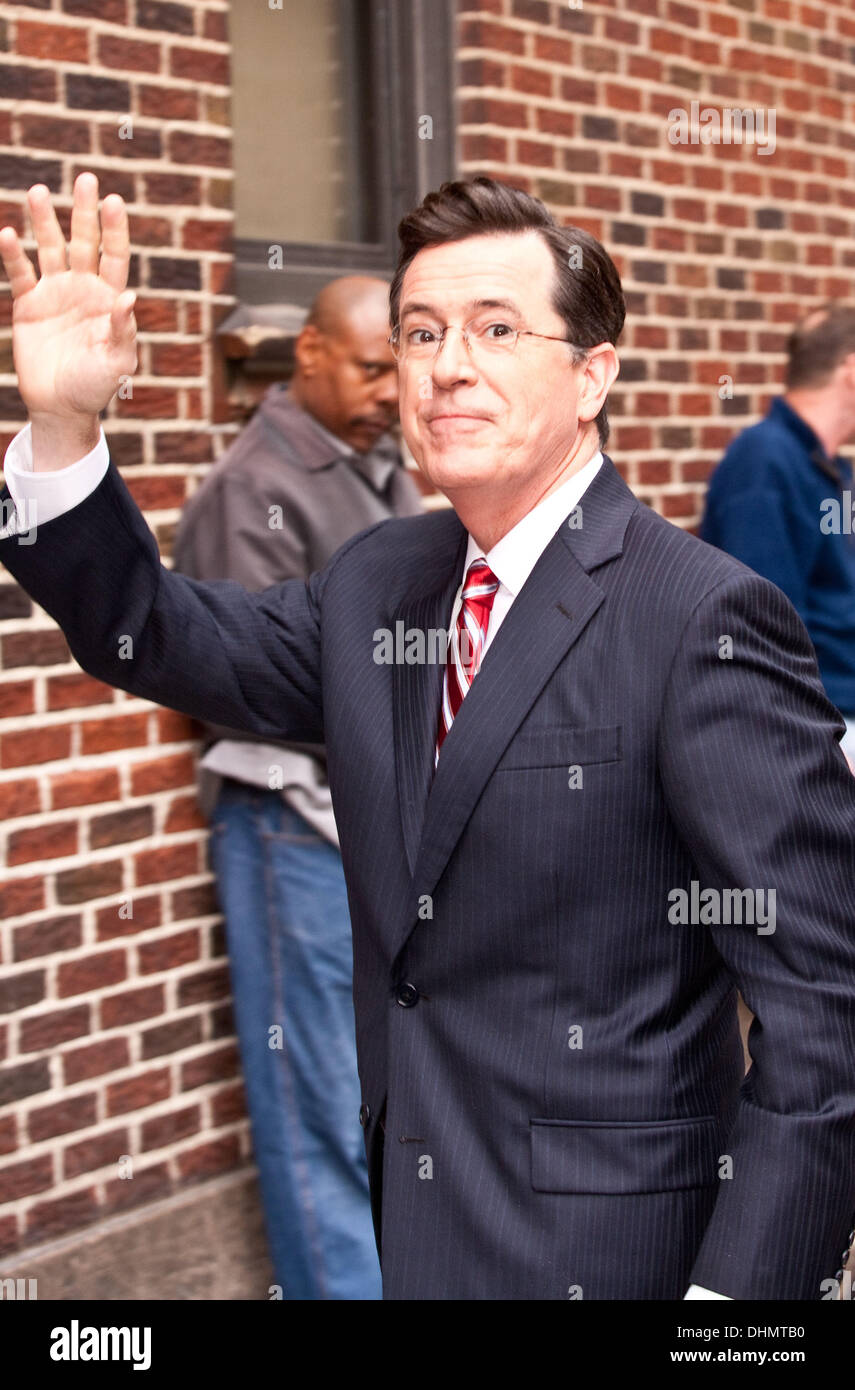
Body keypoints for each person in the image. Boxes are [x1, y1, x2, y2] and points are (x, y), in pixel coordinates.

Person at [2, 172, 855, 1301]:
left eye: (497, 329)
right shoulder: (380, 585)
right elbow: (152, 631)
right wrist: (65, 425)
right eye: (421, 332)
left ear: (593, 374)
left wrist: (736, 1311)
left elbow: (824, 1011)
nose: (448, 363)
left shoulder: (700, 618)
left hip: (620, 1255)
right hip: (422, 1226)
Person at [170, 276, 421, 1300]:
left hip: (366, 825)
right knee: (316, 1100)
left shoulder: (384, 468)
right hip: (290, 825)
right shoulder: (251, 487)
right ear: (307, 352)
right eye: (372, 366)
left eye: (402, 370)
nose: (392, 390)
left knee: (377, 1095)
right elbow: (248, 688)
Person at [701, 303, 855, 764]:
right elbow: (766, 632)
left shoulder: (837, 469)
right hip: (827, 723)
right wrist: (822, 748)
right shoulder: (763, 461)